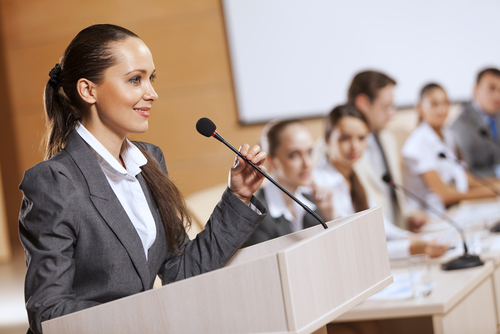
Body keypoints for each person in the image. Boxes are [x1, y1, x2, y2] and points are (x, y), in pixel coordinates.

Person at [18, 24, 268, 334]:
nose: (151, 93)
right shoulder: (54, 181)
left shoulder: (149, 161)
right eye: (135, 80)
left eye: (151, 79)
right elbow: (49, 311)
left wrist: (238, 196)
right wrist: (145, 320)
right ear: (88, 90)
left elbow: (181, 269)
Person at [313, 104, 447, 260]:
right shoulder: (320, 184)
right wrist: (411, 247)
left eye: (361, 138)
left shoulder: (353, 175)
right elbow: (355, 248)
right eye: (345, 138)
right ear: (328, 139)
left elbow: (381, 227)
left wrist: (415, 240)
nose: (355, 146)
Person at [348, 70, 428, 232]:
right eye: (386, 106)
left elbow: (391, 194)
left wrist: (406, 218)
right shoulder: (339, 148)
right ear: (363, 103)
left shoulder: (387, 138)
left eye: (393, 106)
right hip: (367, 238)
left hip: (396, 239)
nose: (392, 113)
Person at [402, 83, 498, 215]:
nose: (441, 109)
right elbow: (444, 195)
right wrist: (490, 192)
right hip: (433, 217)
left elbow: (464, 178)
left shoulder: (447, 134)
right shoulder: (417, 145)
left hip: (456, 209)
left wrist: (495, 184)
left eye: (445, 103)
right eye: (434, 104)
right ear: (419, 108)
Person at [243, 119, 334, 247]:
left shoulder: (312, 201)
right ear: (271, 162)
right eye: (294, 155)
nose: (307, 163)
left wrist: (329, 215)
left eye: (309, 152)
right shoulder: (255, 216)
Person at [451, 68, 500, 177]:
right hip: (484, 188)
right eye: (492, 89)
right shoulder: (462, 126)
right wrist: (496, 173)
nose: (497, 95)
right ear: (476, 90)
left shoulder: (497, 116)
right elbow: (465, 174)